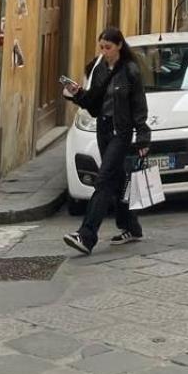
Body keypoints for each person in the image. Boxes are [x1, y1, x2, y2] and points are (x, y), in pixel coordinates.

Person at [61, 27, 150, 254]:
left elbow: (139, 105)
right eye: (101, 47)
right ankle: (132, 227)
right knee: (117, 181)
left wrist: (142, 136)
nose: (104, 51)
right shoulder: (99, 70)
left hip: (121, 133)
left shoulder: (130, 71)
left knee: (103, 180)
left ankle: (86, 235)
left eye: (108, 47)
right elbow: (93, 106)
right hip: (103, 131)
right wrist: (77, 95)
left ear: (119, 45)